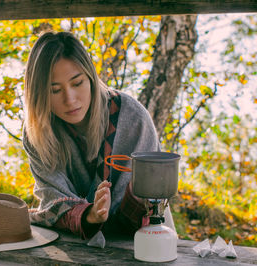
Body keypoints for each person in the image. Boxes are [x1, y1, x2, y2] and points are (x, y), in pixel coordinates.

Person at [23, 31, 175, 240]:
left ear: (91, 78)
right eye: (55, 90)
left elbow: (149, 198)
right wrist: (88, 215)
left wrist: (103, 211)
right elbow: (52, 198)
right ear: (39, 94)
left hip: (145, 239)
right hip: (70, 241)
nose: (70, 99)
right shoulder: (37, 131)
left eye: (77, 83)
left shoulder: (133, 117)